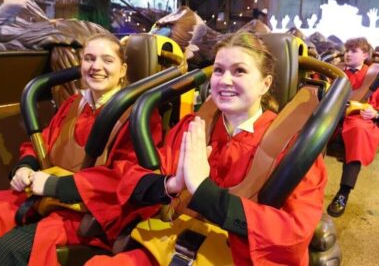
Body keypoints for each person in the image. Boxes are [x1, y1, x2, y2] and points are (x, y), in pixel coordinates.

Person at [87, 31, 327, 265]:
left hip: (238, 256)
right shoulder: (193, 127)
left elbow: (293, 232)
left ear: (265, 84)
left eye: (239, 71)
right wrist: (172, 183)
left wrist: (204, 192)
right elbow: (134, 178)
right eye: (219, 70)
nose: (224, 80)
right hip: (174, 245)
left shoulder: (293, 148)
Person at [0, 33, 163, 265]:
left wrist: (56, 185)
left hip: (91, 213)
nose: (96, 67)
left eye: (107, 60)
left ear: (123, 70)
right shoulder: (73, 106)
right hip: (46, 197)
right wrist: (25, 167)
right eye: (89, 59)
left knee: (10, 248)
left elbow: (128, 178)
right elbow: (40, 143)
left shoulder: (138, 116)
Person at [327, 37, 379, 217]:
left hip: (359, 117)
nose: (348, 54)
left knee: (358, 133)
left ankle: (343, 192)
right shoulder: (337, 70)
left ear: (365, 55)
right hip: (332, 114)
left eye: (353, 51)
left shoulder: (375, 74)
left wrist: (376, 113)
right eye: (347, 50)